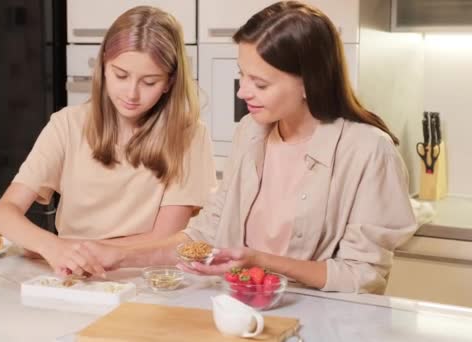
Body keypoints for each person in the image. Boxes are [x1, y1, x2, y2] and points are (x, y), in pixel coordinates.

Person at [79, 1, 417, 294]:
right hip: (238, 310)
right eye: (242, 75)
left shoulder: (368, 151)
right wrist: (118, 255)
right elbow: (204, 237)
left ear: (309, 82)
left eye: (260, 83)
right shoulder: (250, 133)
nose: (243, 92)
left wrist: (262, 261)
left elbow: (364, 275)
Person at [0, 6, 216, 278]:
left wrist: (72, 249)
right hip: (71, 273)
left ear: (169, 82)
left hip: (147, 277)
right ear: (103, 67)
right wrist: (52, 247)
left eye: (149, 82)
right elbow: (3, 213)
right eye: (121, 75)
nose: (132, 93)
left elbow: (165, 237)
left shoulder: (189, 136)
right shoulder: (67, 124)